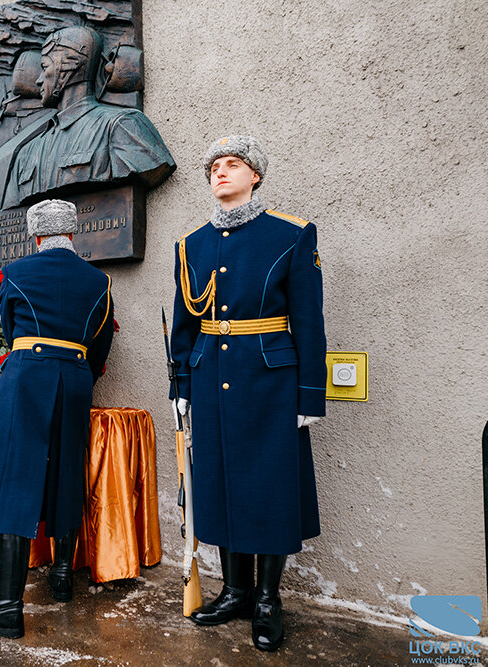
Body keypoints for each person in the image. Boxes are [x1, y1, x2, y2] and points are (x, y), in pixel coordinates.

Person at [169, 135, 326, 651]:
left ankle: (266, 599)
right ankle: (234, 590)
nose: (220, 172)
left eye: (232, 165)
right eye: (213, 166)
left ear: (254, 175)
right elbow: (187, 324)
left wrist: (308, 395)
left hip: (269, 382)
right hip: (211, 377)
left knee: (268, 486)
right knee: (221, 481)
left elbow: (307, 319)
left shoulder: (291, 234)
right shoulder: (190, 243)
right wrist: (181, 385)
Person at [0, 199, 114, 639]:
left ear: (36, 233)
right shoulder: (98, 279)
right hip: (77, 377)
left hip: (28, 373)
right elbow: (100, 344)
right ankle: (62, 577)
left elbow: (11, 330)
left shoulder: (18, 272)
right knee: (66, 470)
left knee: (15, 478)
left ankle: (6, 607)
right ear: (73, 232)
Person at [0, 26, 174, 210]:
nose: (38, 80)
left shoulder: (122, 126)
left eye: (44, 68)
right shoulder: (27, 153)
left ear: (68, 67)